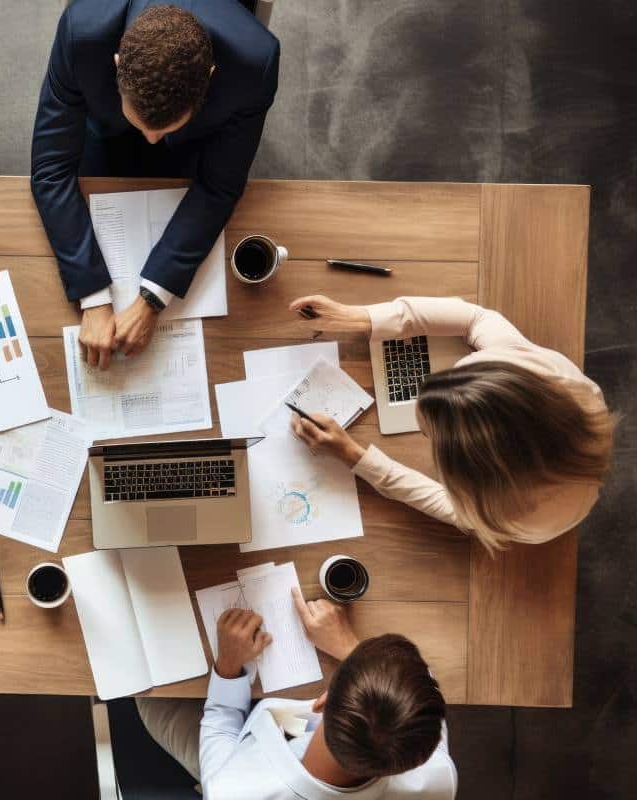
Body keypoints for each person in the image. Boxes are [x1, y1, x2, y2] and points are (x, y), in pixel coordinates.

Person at [31, 1, 278, 368]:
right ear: (117, 63)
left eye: (162, 128)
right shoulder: (80, 33)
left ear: (210, 75)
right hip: (103, 130)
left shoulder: (255, 63)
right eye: (143, 124)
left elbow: (220, 185)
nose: (149, 141)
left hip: (198, 143)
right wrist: (93, 296)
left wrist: (152, 298)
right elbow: (51, 167)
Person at [286, 294, 614, 550]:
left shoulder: (521, 519)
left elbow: (452, 508)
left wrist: (355, 456)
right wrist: (361, 317)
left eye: (433, 439)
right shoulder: (520, 364)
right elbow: (476, 317)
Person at [140, 593, 456, 798]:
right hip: (285, 733)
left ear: (319, 703)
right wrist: (348, 646)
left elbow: (221, 724)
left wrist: (228, 666)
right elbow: (425, 682)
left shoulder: (232, 789)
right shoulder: (435, 777)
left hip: (238, 753)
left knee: (146, 695)